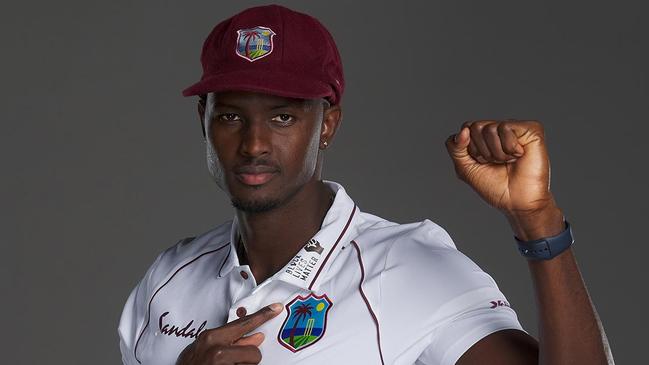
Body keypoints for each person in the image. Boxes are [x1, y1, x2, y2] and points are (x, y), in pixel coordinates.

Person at [118, 4, 613, 365]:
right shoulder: (171, 278)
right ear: (203, 119)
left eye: (284, 117)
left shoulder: (405, 268)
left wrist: (538, 223)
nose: (254, 144)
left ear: (327, 125)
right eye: (230, 115)